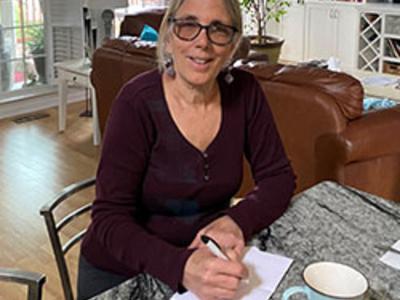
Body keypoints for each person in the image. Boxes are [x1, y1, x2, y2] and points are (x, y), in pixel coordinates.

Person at [78, 0, 296, 299]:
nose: (202, 42)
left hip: (207, 259)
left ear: (232, 45)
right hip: (122, 272)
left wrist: (236, 220)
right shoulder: (136, 103)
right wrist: (181, 266)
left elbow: (278, 178)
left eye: (218, 29)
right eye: (188, 25)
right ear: (168, 36)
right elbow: (108, 219)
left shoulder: (245, 92)